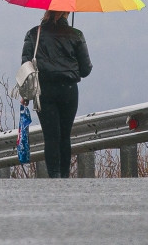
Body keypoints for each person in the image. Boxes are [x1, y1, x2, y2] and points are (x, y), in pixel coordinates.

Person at [20, 10, 93, 178]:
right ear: (67, 12)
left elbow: (25, 64)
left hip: (44, 91)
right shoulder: (76, 35)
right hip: (68, 91)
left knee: (51, 137)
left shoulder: (34, 34)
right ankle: (65, 176)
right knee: (65, 136)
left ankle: (54, 177)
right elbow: (85, 70)